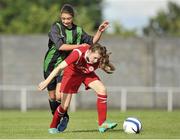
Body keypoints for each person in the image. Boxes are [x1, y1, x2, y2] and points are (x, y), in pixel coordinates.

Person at [43, 3, 109, 131]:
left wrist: (99, 31)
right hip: (50, 65)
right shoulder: (55, 28)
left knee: (59, 96)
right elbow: (60, 46)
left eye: (68, 18)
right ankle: (63, 116)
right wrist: (80, 47)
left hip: (67, 65)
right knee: (52, 97)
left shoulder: (78, 30)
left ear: (73, 17)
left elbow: (91, 42)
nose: (66, 21)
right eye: (63, 19)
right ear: (60, 18)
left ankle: (62, 118)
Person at [39, 43, 117, 134]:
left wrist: (108, 66)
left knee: (102, 90)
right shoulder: (78, 53)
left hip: (86, 74)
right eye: (95, 58)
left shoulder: (98, 58)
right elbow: (59, 67)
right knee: (64, 106)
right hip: (72, 74)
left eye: (98, 59)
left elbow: (110, 66)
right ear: (90, 51)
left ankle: (102, 124)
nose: (96, 60)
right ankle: (53, 127)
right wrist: (46, 82)